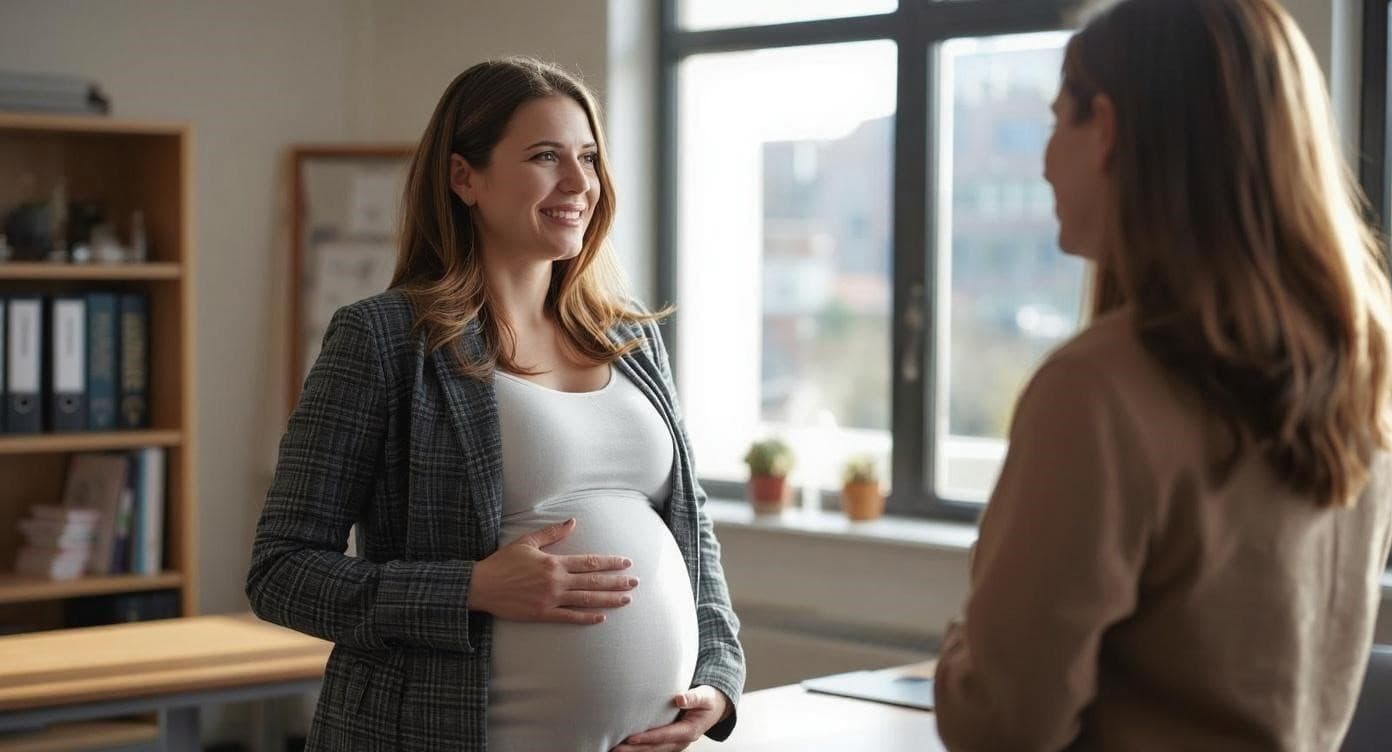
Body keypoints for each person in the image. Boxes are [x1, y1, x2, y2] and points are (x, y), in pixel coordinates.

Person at [246, 57, 744, 752]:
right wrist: (472, 588)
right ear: (463, 177)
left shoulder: (630, 336)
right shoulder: (386, 340)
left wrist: (718, 686)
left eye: (589, 158)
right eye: (546, 157)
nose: (579, 184)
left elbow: (696, 538)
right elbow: (281, 572)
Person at [932, 0, 1392, 749]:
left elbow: (1000, 724)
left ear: (1106, 128)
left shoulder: (1097, 389)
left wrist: (962, 649)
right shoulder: (1361, 370)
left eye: (1056, 123)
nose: (1045, 160)